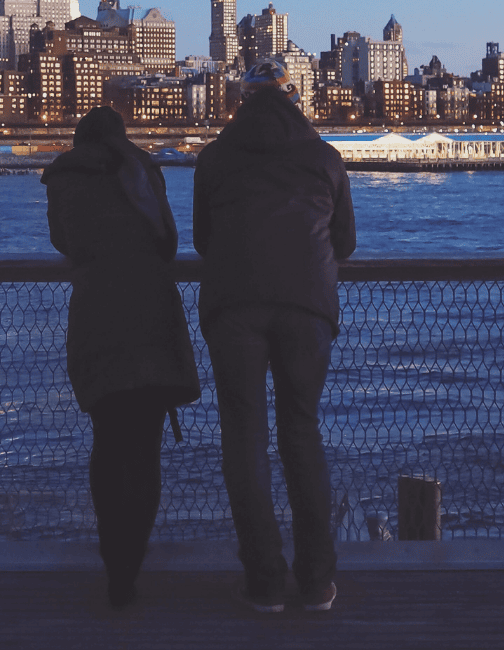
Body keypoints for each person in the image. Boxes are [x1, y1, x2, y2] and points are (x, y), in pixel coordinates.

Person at [192, 60, 357, 613]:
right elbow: (346, 242)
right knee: (301, 434)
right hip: (306, 305)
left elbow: (202, 239)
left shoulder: (215, 157)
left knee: (244, 437)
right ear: (291, 97)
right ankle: (315, 581)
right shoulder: (324, 157)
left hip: (233, 306)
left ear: (242, 100)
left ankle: (264, 580)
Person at [42, 106, 201, 608]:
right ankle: (132, 560)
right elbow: (169, 243)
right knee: (146, 449)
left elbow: (63, 241)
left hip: (97, 316)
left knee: (108, 444)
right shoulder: (144, 169)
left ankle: (116, 564)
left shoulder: (63, 176)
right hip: (151, 314)